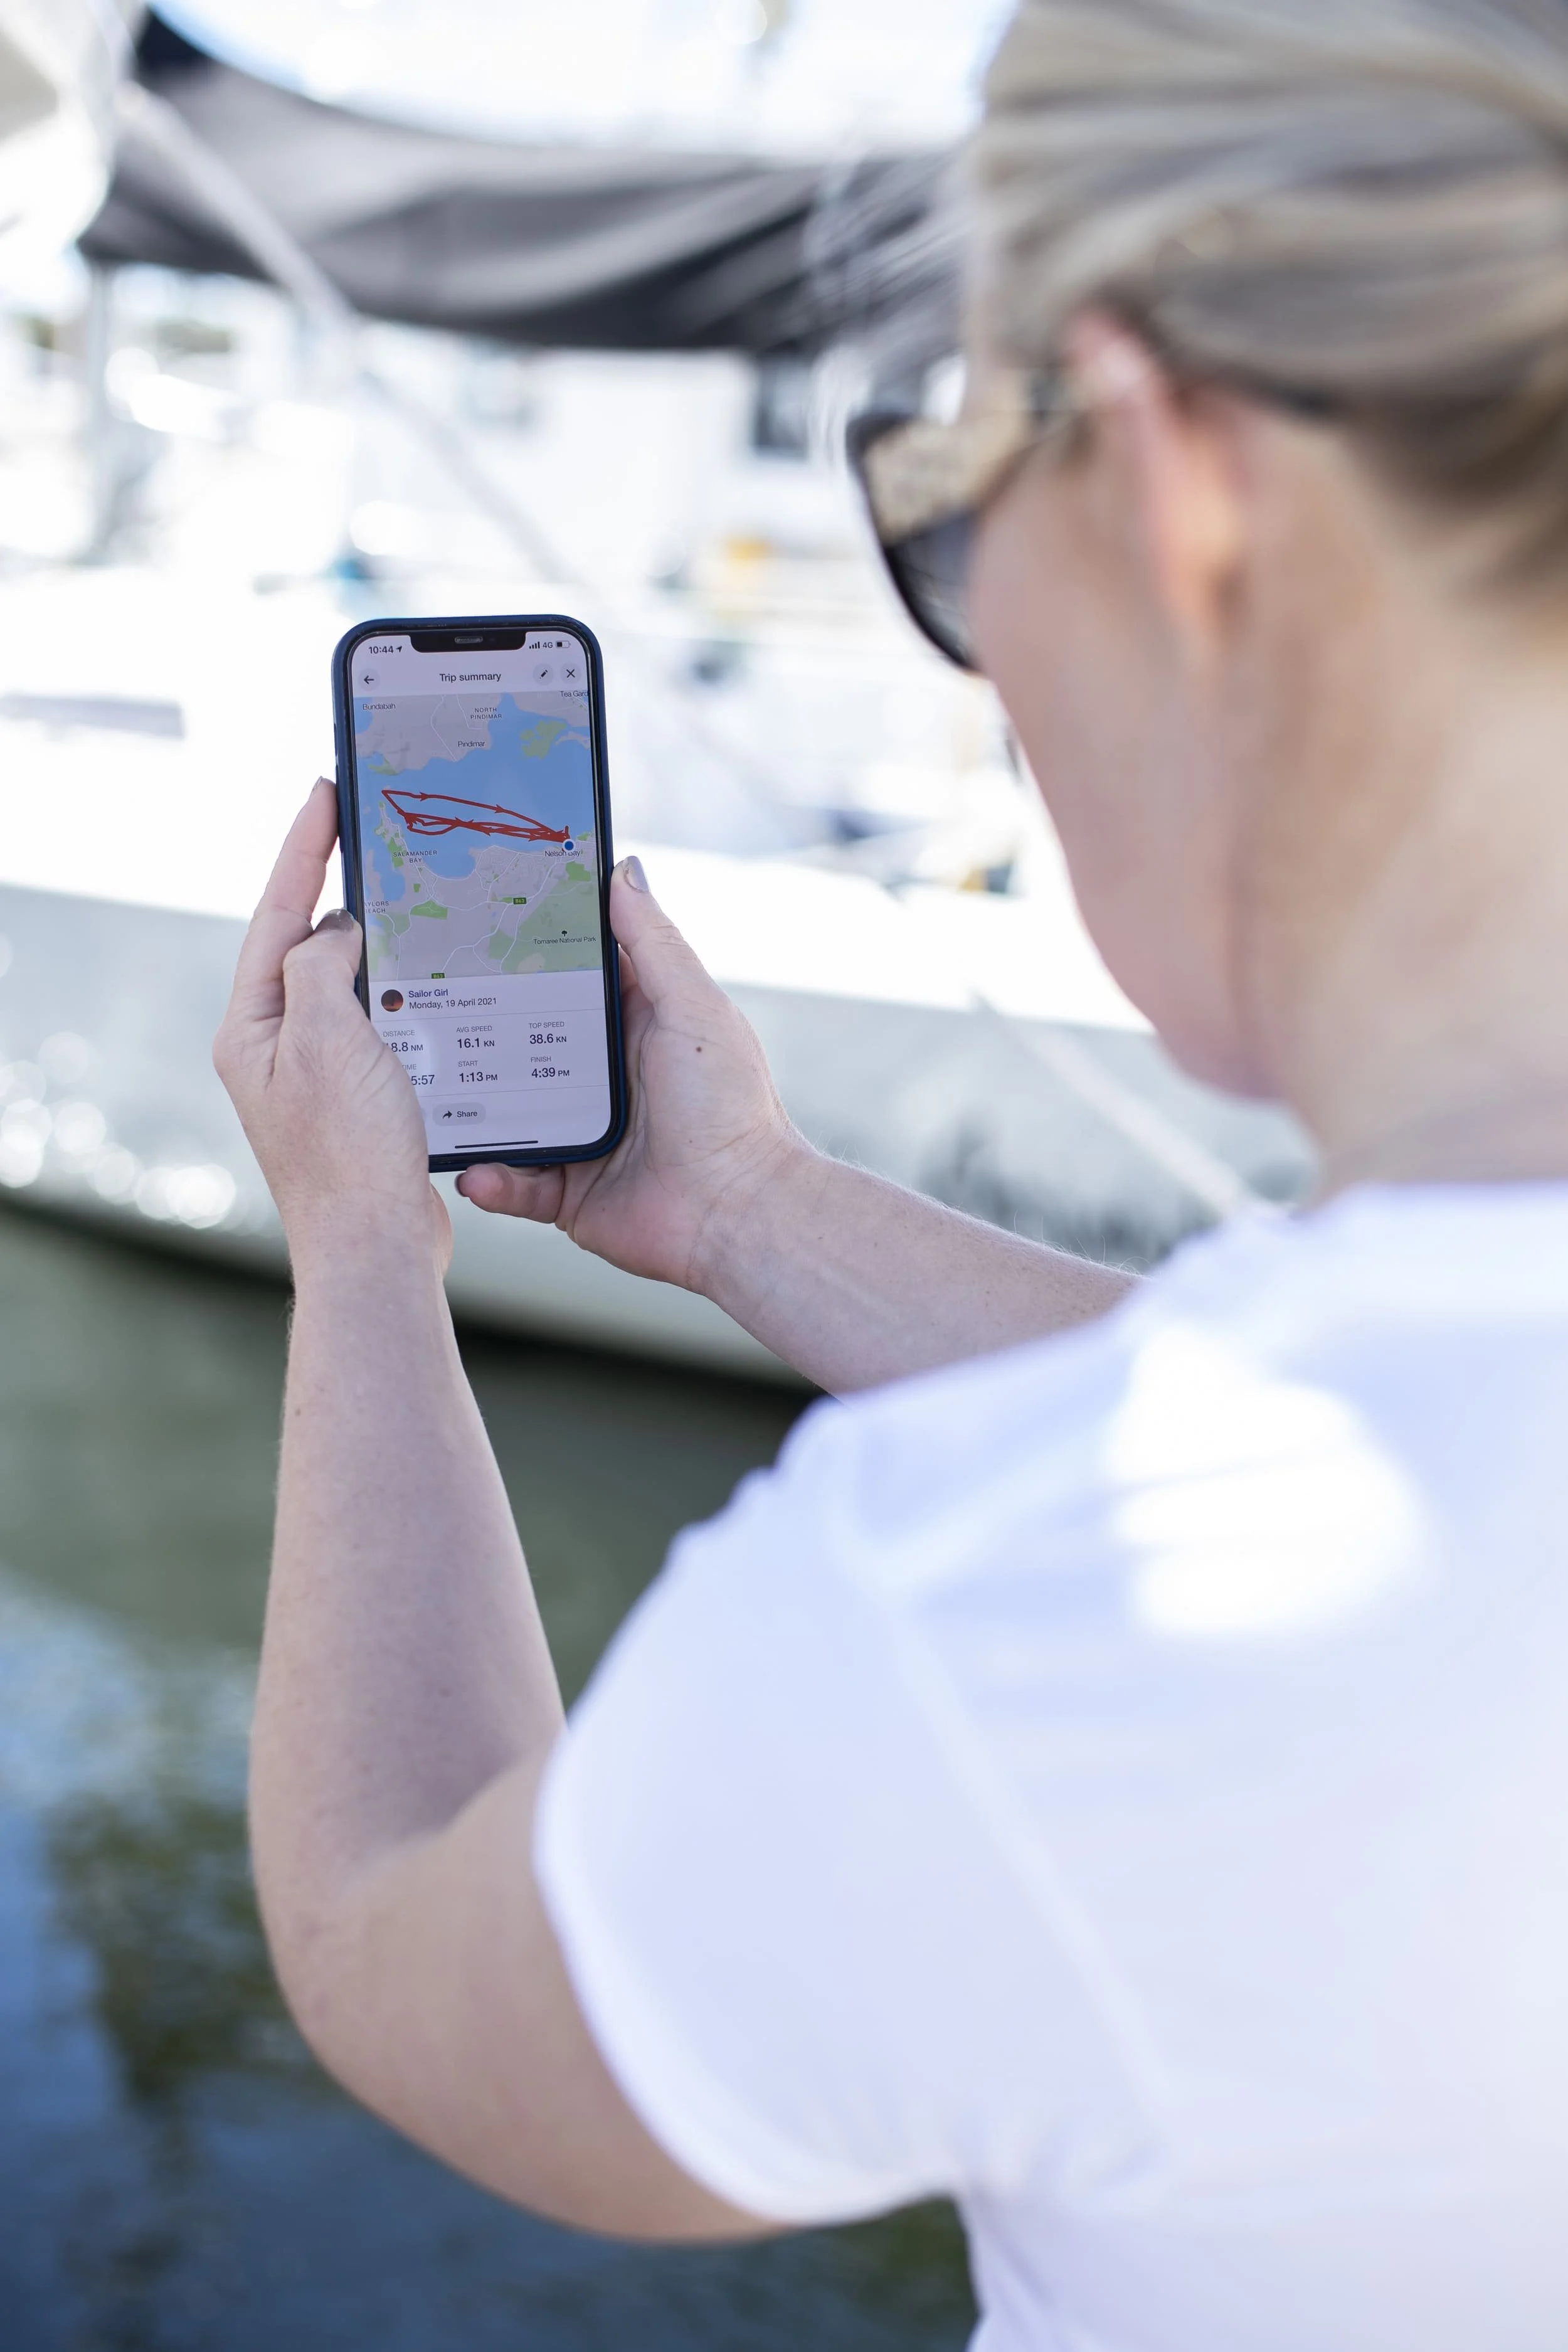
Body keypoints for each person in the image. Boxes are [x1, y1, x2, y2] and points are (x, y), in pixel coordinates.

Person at [215, 3, 1568, 2344]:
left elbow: (384, 1912)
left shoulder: (1034, 1630)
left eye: (943, 500)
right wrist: (740, 1204)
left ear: (1172, 488)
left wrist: (362, 1252)